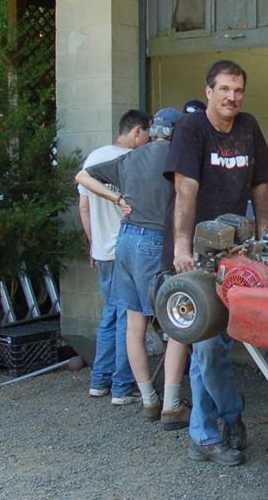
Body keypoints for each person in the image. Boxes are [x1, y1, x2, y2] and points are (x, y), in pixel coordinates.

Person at [164, 60, 268, 467]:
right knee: (208, 347)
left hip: (237, 251)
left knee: (216, 347)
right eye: (225, 89)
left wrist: (264, 238)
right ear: (208, 90)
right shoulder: (190, 129)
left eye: (239, 90)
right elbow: (185, 187)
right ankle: (215, 427)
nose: (232, 97)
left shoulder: (248, 126)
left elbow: (261, 182)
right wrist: (182, 247)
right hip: (195, 255)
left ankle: (217, 424)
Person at [75, 108, 191, 430]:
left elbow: (82, 177)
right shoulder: (177, 160)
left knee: (134, 325)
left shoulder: (130, 158)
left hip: (124, 241)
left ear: (152, 131)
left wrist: (115, 198)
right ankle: (171, 405)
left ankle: (148, 400)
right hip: (155, 243)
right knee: (177, 324)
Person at [77, 109, 150, 404]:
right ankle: (122, 387)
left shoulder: (94, 158)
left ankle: (99, 381)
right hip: (125, 249)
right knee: (127, 318)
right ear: (136, 132)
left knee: (110, 315)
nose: (148, 142)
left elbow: (84, 207)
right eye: (146, 135)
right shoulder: (131, 162)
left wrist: (93, 243)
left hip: (102, 252)